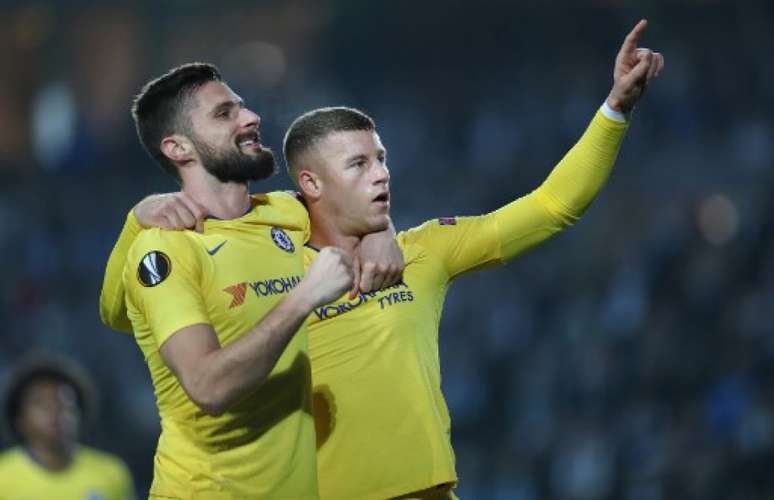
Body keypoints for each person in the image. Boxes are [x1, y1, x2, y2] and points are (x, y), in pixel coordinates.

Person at [101, 20, 664, 499]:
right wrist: (137, 221)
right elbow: (128, 314)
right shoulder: (262, 258)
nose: (381, 174)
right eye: (359, 164)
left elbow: (550, 207)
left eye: (382, 159)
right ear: (312, 182)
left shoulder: (392, 246)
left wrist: (614, 110)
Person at [106, 63, 401, 499]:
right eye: (224, 114)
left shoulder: (285, 212)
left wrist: (381, 232)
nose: (250, 118)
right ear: (178, 147)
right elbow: (208, 386)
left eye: (242, 108)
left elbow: (361, 203)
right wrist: (304, 298)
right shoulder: (167, 249)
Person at [0, 354, 135, 500]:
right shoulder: (3, 476)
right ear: (20, 420)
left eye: (65, 402)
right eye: (41, 404)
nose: (55, 411)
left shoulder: (112, 473)